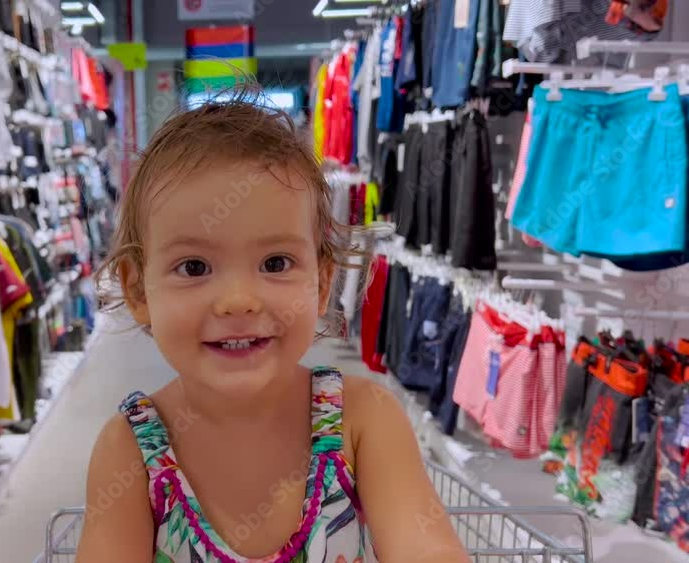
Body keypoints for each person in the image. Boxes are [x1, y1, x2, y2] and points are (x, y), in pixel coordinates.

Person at [76, 92, 469, 563]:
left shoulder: (364, 422)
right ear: (139, 292)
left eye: (276, 262)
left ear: (323, 282)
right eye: (195, 267)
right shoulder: (130, 452)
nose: (238, 300)